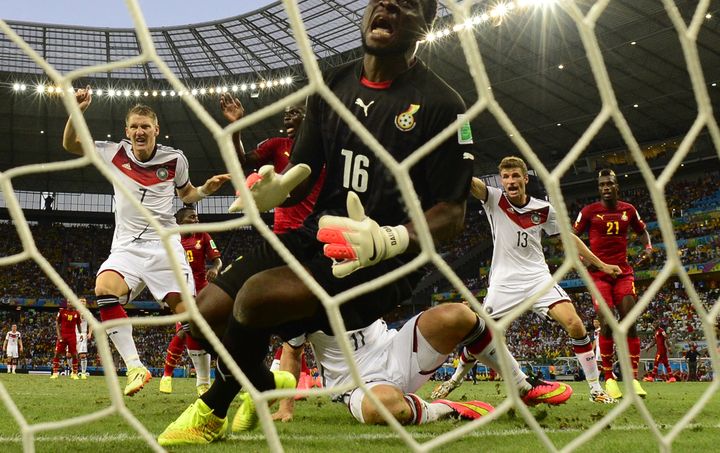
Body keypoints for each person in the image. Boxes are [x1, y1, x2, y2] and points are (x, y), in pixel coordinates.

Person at [158, 0, 481, 445]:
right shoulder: (330, 84)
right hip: (317, 235)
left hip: (383, 263)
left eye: (406, 1)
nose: (387, 3)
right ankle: (270, 387)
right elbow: (302, 171)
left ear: (426, 21)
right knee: (203, 316)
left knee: (255, 299)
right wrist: (274, 190)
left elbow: (452, 213)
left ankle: (211, 411)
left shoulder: (443, 104)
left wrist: (392, 238)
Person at [63, 90, 230, 396]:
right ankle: (135, 367)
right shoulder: (114, 153)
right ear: (127, 131)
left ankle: (203, 382)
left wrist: (205, 189)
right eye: (134, 127)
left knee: (190, 318)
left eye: (145, 126)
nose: (140, 131)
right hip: (126, 246)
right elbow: (71, 143)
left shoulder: (175, 159)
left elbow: (186, 195)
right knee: (104, 288)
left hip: (164, 246)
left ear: (156, 130)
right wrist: (77, 110)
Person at [436, 156, 621, 405]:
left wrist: (600, 264)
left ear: (525, 178)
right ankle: (455, 379)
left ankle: (596, 389)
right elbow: (472, 184)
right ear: (501, 181)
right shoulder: (494, 199)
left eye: (515, 176)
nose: (510, 181)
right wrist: (458, 160)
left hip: (537, 278)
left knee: (575, 324)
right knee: (482, 335)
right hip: (504, 282)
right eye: (506, 177)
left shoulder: (543, 209)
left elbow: (568, 238)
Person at [268, 303, 572, 427]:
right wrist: (286, 407)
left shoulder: (363, 268)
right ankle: (446, 409)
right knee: (380, 409)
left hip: (394, 349)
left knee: (459, 315)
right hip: (356, 383)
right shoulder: (302, 301)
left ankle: (522, 386)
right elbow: (292, 353)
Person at [573, 168, 653, 399]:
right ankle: (609, 378)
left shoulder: (629, 210)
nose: (606, 188)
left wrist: (648, 249)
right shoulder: (589, 212)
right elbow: (571, 238)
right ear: (599, 189)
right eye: (602, 185)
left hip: (622, 272)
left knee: (629, 320)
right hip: (598, 275)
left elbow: (643, 232)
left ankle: (634, 379)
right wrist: (583, 259)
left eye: (609, 184)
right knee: (607, 322)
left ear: (617, 186)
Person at [219, 96, 325, 234]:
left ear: (309, 118)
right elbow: (242, 161)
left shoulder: (325, 147)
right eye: (286, 114)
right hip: (284, 228)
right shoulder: (277, 145)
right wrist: (236, 125)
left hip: (317, 226)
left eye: (294, 113)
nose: (286, 118)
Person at [160, 206, 223, 396]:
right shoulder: (172, 239)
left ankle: (204, 382)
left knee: (204, 332)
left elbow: (217, 261)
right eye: (191, 217)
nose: (196, 220)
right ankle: (167, 375)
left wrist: (215, 269)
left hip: (203, 291)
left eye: (197, 217)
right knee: (183, 333)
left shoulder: (203, 235)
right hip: (182, 292)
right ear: (179, 222)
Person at [51, 303, 81, 379]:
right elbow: (57, 322)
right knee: (57, 353)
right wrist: (59, 335)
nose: (70, 303)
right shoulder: (62, 311)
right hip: (63, 335)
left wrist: (81, 333)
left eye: (71, 302)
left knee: (74, 354)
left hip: (72, 336)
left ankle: (74, 373)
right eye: (68, 302)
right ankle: (55, 373)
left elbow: (78, 324)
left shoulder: (77, 313)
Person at [75, 297, 93, 379]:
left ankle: (83, 373)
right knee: (69, 355)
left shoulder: (88, 313)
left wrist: (89, 333)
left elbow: (91, 323)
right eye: (81, 301)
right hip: (73, 334)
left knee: (82, 355)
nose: (82, 302)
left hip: (82, 334)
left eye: (84, 301)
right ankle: (73, 372)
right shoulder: (73, 312)